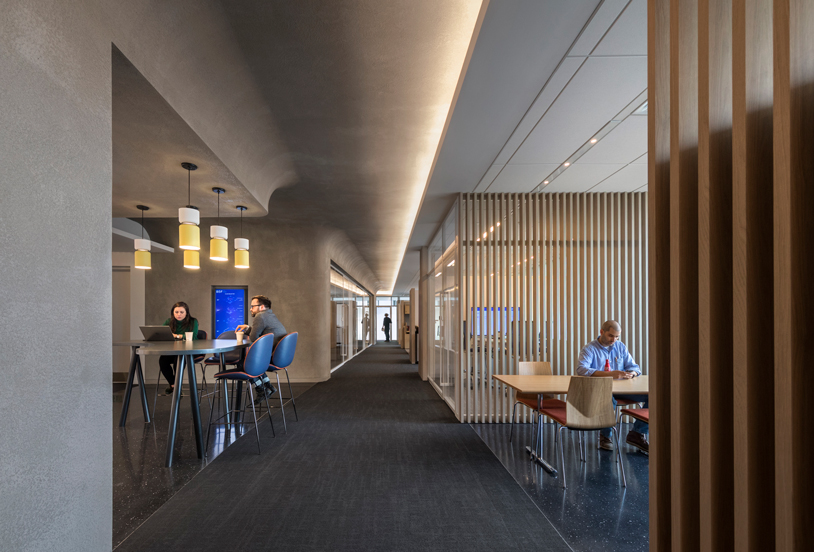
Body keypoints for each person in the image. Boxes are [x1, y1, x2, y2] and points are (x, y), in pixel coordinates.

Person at [576, 320, 649, 453]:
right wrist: (609, 375)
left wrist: (631, 374)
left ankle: (637, 433)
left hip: (622, 390)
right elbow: (581, 369)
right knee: (608, 399)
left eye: (617, 337)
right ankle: (606, 436)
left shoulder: (620, 347)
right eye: (611, 336)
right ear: (602, 332)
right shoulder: (590, 348)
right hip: (600, 388)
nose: (614, 339)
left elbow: (635, 367)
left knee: (653, 396)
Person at [235, 295, 287, 401]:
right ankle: (268, 386)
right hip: (278, 356)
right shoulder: (270, 315)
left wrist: (250, 330)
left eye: (253, 306)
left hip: (270, 356)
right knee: (250, 362)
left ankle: (261, 389)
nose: (251, 309)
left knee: (243, 363)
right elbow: (261, 332)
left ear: (261, 307)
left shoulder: (260, 316)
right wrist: (249, 328)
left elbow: (254, 338)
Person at [158, 302, 198, 395]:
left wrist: (177, 336)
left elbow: (193, 336)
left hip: (189, 350)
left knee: (178, 361)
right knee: (163, 361)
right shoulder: (169, 321)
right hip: (173, 350)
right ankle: (174, 385)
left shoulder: (193, 321)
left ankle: (176, 386)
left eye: (181, 312)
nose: (179, 314)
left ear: (186, 313)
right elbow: (162, 333)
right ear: (173, 313)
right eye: (176, 312)